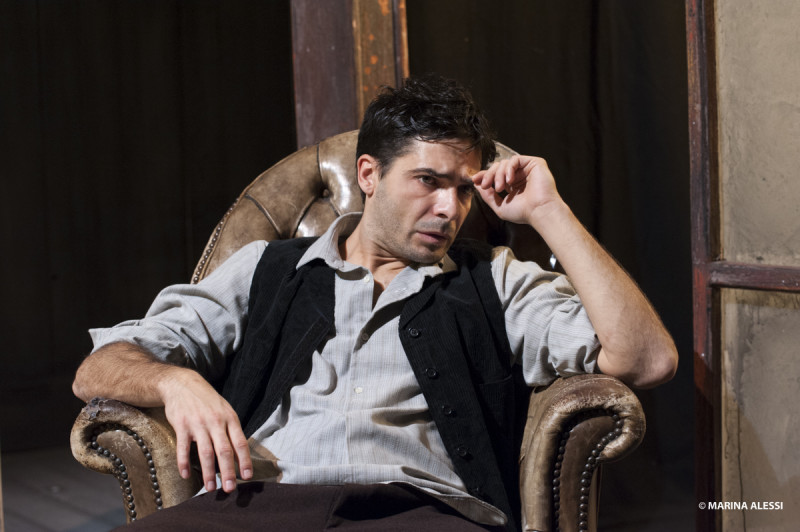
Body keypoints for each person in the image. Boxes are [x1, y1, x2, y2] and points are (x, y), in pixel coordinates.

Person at [73, 75, 677, 531]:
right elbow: (98, 369)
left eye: (464, 189)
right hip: (261, 506)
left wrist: (548, 211)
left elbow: (647, 360)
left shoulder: (494, 279)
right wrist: (174, 382)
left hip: (421, 512)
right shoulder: (266, 269)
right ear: (369, 174)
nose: (450, 208)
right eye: (428, 181)